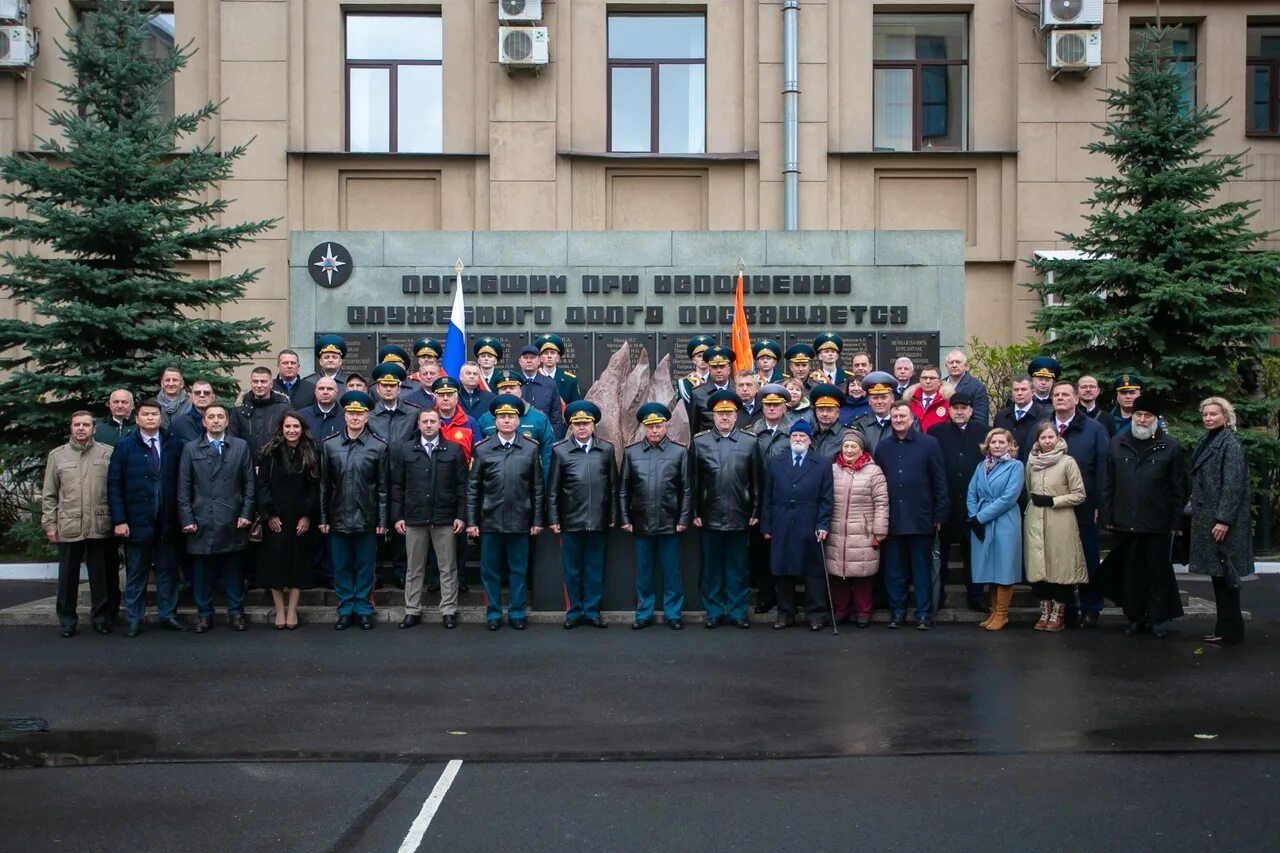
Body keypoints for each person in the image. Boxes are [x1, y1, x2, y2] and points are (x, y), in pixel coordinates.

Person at [1100, 394, 1186, 638]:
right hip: (1125, 522)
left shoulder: (1170, 446)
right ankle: (1135, 616)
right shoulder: (1117, 443)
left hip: (1156, 523)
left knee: (1156, 573)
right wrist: (1107, 515)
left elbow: (1178, 488)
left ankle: (1157, 618)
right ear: (1132, 416)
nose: (1142, 419)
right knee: (1131, 575)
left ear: (1155, 419)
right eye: (1138, 414)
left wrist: (1176, 521)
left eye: (1148, 415)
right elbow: (1107, 483)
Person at [107, 399, 188, 635]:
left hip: (168, 520)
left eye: (154, 414)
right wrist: (120, 520)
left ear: (160, 417)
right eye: (146, 414)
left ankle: (168, 614)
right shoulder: (124, 446)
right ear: (137, 418)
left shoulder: (174, 444)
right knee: (136, 572)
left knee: (168, 571)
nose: (150, 418)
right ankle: (134, 618)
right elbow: (114, 485)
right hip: (136, 520)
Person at [467, 394, 546, 631]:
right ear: (495, 421)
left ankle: (517, 612)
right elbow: (473, 489)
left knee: (518, 570)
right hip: (490, 520)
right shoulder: (482, 449)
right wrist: (472, 521)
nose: (507, 420)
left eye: (511, 416)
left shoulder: (531, 448)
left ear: (519, 420)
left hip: (520, 520)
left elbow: (538, 488)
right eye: (502, 417)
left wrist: (537, 519)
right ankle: (493, 613)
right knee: (490, 571)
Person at [178, 402, 255, 633]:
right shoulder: (191, 449)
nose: (215, 420)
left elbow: (249, 483)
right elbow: (184, 487)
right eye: (211, 416)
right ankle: (204, 615)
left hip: (232, 517)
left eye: (220, 416)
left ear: (227, 421)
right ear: (204, 422)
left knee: (233, 569)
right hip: (202, 518)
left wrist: (246, 513)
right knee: (202, 572)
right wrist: (187, 518)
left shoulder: (240, 446)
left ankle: (236, 612)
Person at [389, 408, 468, 630]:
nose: (429, 425)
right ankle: (412, 610)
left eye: (433, 421)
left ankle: (449, 610)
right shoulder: (405, 450)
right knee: (414, 567)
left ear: (440, 423)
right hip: (414, 517)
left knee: (447, 567)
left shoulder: (454, 450)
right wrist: (397, 517)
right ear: (419, 424)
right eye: (425, 421)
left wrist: (461, 516)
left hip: (444, 517)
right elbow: (397, 487)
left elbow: (463, 486)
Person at [873, 400, 948, 630]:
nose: (898, 421)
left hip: (921, 517)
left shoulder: (929, 444)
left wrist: (940, 514)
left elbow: (939, 481)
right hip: (893, 518)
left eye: (902, 417)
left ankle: (924, 613)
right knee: (894, 570)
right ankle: (898, 612)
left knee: (921, 569)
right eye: (895, 417)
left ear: (912, 418)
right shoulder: (883, 447)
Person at [691, 389, 761, 629]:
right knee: (711, 569)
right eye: (720, 413)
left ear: (736, 415)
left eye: (729, 413)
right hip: (709, 514)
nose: (724, 417)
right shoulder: (700, 442)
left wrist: (755, 511)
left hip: (739, 514)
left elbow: (757, 481)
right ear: (713, 415)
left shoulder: (750, 442)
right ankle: (713, 612)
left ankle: (738, 612)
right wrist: (695, 512)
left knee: (738, 569)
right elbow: (693, 481)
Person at [320, 390, 389, 631]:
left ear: (367, 417)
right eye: (351, 413)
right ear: (345, 416)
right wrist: (323, 517)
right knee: (341, 567)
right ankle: (345, 609)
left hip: (367, 517)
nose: (355, 418)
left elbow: (382, 487)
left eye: (360, 414)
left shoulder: (379, 446)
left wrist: (382, 519)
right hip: (338, 516)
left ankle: (363, 608)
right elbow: (323, 486)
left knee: (364, 566)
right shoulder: (329, 445)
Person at [619, 403, 692, 629]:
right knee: (644, 574)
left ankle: (673, 614)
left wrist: (683, 519)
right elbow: (623, 490)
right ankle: (643, 613)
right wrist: (625, 518)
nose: (654, 431)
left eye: (658, 426)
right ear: (643, 427)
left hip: (670, 523)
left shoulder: (679, 452)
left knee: (672, 574)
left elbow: (687, 489)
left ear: (666, 426)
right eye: (650, 427)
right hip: (641, 523)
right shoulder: (631, 453)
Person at [42, 412, 115, 638]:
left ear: (94, 428)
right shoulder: (58, 456)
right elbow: (49, 494)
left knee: (100, 576)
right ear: (71, 428)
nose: (81, 428)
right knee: (67, 577)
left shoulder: (107, 453)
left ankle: (101, 618)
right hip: (69, 525)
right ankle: (67, 621)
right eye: (77, 424)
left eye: (86, 424)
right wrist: (50, 525)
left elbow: (115, 490)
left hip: (99, 523)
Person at [1187, 397, 1252, 646]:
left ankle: (1230, 631)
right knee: (1219, 577)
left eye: (1213, 414)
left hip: (1222, 523)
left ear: (1226, 416)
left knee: (1227, 577)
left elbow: (1232, 486)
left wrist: (1223, 520)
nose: (1208, 418)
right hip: (1209, 519)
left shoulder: (1231, 444)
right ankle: (1224, 629)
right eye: (1205, 414)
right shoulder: (1208, 440)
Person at [548, 401, 617, 629]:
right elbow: (554, 489)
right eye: (577, 423)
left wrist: (613, 514)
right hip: (571, 520)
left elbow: (613, 487)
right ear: (571, 426)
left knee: (595, 569)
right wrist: (555, 519)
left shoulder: (606, 449)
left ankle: (592, 611)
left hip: (598, 519)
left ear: (593, 425)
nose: (581, 427)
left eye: (586, 423)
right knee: (573, 570)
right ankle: (574, 611)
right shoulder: (560, 450)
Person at [1048, 380, 1110, 627]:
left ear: (1076, 399)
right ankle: (1066, 609)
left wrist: (1100, 505)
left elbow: (1104, 469)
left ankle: (1091, 607)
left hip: (1084, 506)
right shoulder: (1043, 427)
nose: (1060, 398)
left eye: (1065, 394)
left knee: (1088, 559)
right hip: (1052, 507)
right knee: (1058, 560)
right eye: (1056, 395)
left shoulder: (1094, 430)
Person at [761, 420, 834, 630]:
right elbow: (768, 496)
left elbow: (826, 498)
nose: (798, 439)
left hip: (809, 521)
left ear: (809, 440)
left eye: (802, 436)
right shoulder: (776, 462)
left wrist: (823, 524)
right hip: (782, 522)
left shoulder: (822, 464)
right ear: (789, 438)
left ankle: (816, 614)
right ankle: (785, 614)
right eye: (794, 436)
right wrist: (767, 525)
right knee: (782, 570)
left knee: (813, 571)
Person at [256, 412, 320, 630]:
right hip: (276, 517)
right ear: (281, 429)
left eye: (296, 426)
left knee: (297, 563)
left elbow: (314, 486)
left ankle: (292, 610)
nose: (292, 430)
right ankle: (279, 610)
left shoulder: (310, 452)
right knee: (276, 564)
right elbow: (262, 485)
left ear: (302, 429)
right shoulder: (270, 453)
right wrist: (270, 513)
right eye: (288, 426)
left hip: (299, 518)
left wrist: (307, 515)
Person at [1023, 421, 1088, 633]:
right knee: (1038, 567)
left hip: (1059, 520)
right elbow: (1028, 488)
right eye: (1043, 438)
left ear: (1058, 439)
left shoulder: (1067, 462)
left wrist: (1053, 501)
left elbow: (1079, 494)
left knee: (1060, 567)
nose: (1047, 442)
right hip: (1035, 519)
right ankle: (1045, 609)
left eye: (1051, 437)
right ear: (1038, 441)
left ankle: (1058, 612)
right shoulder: (1031, 462)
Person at [928, 391, 987, 612]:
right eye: (955, 408)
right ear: (949, 410)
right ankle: (938, 595)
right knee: (940, 555)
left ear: (971, 410)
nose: (959, 412)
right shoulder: (936, 432)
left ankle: (976, 596)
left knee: (974, 554)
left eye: (964, 408)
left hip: (975, 506)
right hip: (946, 504)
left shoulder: (985, 433)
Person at [825, 428, 888, 628]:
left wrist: (880, 531)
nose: (849, 450)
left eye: (854, 446)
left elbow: (881, 503)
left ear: (862, 450)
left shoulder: (873, 471)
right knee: (838, 571)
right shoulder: (833, 470)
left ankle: (863, 610)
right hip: (837, 529)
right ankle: (841, 609)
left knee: (863, 573)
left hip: (863, 530)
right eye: (846, 446)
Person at [966, 427, 1024, 631]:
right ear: (987, 445)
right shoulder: (981, 465)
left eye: (1002, 442)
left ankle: (1002, 614)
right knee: (990, 567)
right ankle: (993, 611)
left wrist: (980, 517)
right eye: (993, 442)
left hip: (1004, 521)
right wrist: (973, 517)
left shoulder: (1016, 466)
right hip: (982, 521)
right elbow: (971, 493)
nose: (997, 446)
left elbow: (1009, 498)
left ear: (1010, 445)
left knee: (1004, 567)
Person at [472, 370, 556, 477]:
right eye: (503, 388)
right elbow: (478, 455)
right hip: (493, 482)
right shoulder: (485, 419)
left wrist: (545, 485)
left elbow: (547, 455)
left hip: (528, 481)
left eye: (512, 388)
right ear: (497, 392)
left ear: (520, 391)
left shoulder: (539, 418)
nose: (508, 391)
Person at [229, 366, 290, 459]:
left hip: (275, 464)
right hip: (246, 463)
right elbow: (232, 437)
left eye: (263, 381)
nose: (259, 385)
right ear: (251, 383)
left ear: (271, 384)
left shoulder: (283, 407)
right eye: (255, 381)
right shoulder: (239, 408)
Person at [516, 344, 565, 438]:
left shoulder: (550, 384)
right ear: (520, 361)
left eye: (532, 357)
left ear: (539, 361)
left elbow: (556, 417)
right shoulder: (513, 383)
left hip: (543, 435)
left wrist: (553, 439)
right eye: (526, 358)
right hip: (517, 436)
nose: (529, 360)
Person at [368, 361, 420, 447]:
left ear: (399, 389)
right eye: (384, 385)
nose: (388, 389)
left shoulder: (413, 413)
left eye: (392, 385)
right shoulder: (369, 415)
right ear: (377, 389)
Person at [993, 375, 1044, 460]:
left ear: (1032, 392)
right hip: (1005, 467)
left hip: (1032, 466)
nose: (1019, 393)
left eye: (1023, 389)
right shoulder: (1001, 417)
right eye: (1016, 390)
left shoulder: (1043, 417)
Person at [689, 345, 737, 433]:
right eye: (714, 367)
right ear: (709, 369)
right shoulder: (698, 393)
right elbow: (694, 426)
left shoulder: (739, 391)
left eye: (722, 366)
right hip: (708, 444)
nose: (718, 370)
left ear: (729, 369)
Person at [851, 371, 898, 454]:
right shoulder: (859, 425)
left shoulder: (905, 422)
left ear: (892, 398)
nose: (879, 401)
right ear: (869, 400)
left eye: (883, 397)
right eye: (875, 398)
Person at [942, 350, 990, 427]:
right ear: (946, 366)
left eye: (958, 362)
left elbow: (980, 418)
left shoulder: (977, 386)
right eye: (951, 362)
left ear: (966, 366)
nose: (954, 365)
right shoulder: (940, 384)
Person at [534, 333, 582, 405]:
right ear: (540, 358)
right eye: (546, 353)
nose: (549, 356)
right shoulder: (533, 377)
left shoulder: (570, 380)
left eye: (552, 353)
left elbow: (575, 406)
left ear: (558, 358)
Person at [805, 383, 845, 461]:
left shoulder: (846, 435)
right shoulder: (808, 432)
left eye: (829, 410)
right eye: (821, 409)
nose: (824, 414)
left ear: (838, 413)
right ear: (816, 412)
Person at [169, 379, 216, 444]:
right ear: (190, 397)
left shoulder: (221, 422)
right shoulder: (179, 424)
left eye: (206, 393)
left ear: (213, 398)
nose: (202, 395)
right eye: (197, 393)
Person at [908, 364, 951, 433]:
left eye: (932, 378)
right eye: (924, 378)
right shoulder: (910, 400)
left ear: (939, 382)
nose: (928, 381)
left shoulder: (947, 401)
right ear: (920, 380)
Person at [301, 376, 343, 441]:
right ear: (315, 392)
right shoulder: (302, 416)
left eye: (330, 389)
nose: (325, 392)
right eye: (321, 388)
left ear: (337, 392)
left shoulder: (346, 416)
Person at [156, 365, 194, 431]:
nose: (171, 384)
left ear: (182, 384)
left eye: (175, 380)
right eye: (167, 380)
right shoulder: (154, 404)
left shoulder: (191, 405)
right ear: (162, 384)